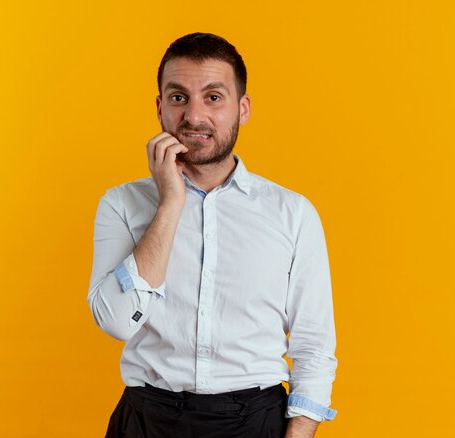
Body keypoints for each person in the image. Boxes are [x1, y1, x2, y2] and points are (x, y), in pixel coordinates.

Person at [87, 32, 337, 438]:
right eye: (179, 97)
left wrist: (300, 431)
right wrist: (170, 203)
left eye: (214, 97)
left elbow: (313, 345)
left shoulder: (292, 214)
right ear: (160, 108)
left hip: (254, 420)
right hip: (148, 421)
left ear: (243, 109)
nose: (194, 116)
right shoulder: (122, 205)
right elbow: (117, 323)